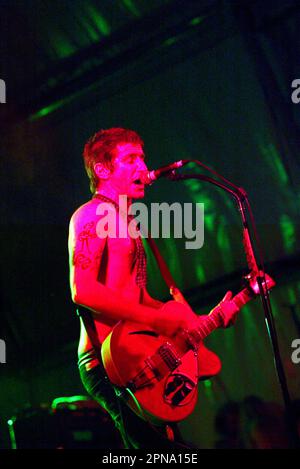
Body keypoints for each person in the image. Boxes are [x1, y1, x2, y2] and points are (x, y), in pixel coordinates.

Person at [68, 127, 241, 449]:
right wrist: (154, 320)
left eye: (142, 158)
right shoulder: (90, 217)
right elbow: (83, 291)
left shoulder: (131, 223)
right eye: (130, 159)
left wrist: (203, 319)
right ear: (103, 169)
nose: (142, 167)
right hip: (108, 360)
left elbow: (141, 299)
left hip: (138, 353)